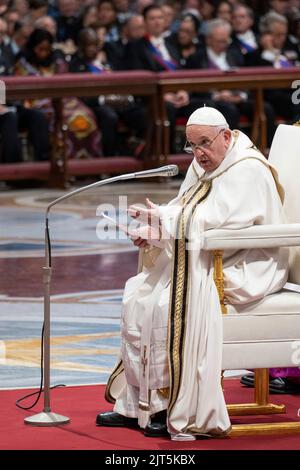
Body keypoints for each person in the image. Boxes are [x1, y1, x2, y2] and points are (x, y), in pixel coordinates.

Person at [96, 106, 289, 440]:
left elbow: (220, 222)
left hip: (248, 264)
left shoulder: (247, 169)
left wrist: (166, 223)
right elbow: (185, 208)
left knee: (165, 304)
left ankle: (171, 405)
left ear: (226, 137)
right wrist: (154, 225)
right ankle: (140, 406)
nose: (198, 153)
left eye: (204, 143)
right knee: (139, 293)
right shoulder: (208, 162)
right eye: (191, 146)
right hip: (213, 254)